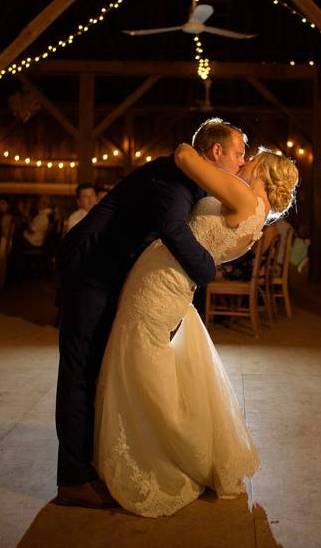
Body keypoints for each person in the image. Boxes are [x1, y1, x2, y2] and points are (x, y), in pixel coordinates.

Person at [94, 142, 299, 517]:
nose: (242, 162)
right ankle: (175, 445)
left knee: (139, 362)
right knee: (145, 362)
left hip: (161, 282)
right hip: (174, 286)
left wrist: (216, 155)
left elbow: (185, 155)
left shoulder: (244, 196)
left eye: (248, 159)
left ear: (262, 172)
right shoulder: (257, 220)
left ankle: (163, 452)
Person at [53, 118, 244, 510]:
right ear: (216, 152)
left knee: (96, 369)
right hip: (89, 270)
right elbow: (173, 232)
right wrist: (209, 271)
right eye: (238, 152)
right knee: (79, 372)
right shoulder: (174, 183)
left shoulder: (188, 180)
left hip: (109, 274)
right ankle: (72, 480)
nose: (242, 162)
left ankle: (89, 464)